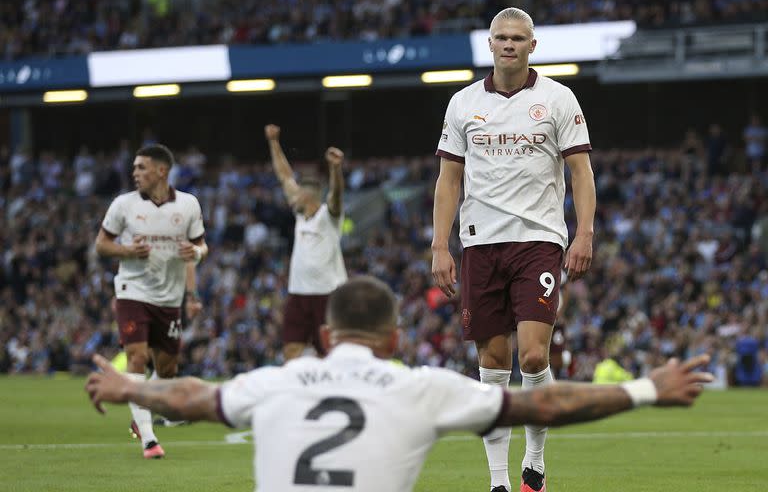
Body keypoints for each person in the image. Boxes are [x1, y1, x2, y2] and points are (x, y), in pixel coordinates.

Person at [86, 276, 713, 492]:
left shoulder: (277, 380)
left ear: (326, 336)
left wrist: (129, 389)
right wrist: (646, 389)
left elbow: (192, 395)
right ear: (394, 339)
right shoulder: (421, 386)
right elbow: (544, 397)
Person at [431, 7, 596, 492]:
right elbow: (449, 180)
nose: (509, 45)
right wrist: (441, 244)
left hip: (539, 240)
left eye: (518, 38)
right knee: (493, 363)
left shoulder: (558, 99)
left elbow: (581, 172)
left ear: (532, 46)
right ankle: (498, 482)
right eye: (501, 37)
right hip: (480, 243)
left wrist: (584, 231)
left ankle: (536, 461)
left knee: (531, 356)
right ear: (490, 44)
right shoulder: (463, 104)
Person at [95, 143, 207, 458]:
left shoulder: (188, 205)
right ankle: (149, 439)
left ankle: (139, 410)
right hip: (132, 290)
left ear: (161, 171)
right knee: (136, 357)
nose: (135, 173)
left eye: (141, 167)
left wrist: (196, 254)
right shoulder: (123, 205)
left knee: (167, 369)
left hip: (169, 297)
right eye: (134, 168)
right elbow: (101, 245)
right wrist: (127, 251)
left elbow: (201, 246)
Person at [264, 124, 347, 360]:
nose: (293, 197)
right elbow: (284, 176)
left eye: (298, 194)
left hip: (326, 294)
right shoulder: (301, 217)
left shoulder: (328, 217)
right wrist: (273, 142)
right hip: (299, 294)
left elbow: (337, 195)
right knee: (291, 349)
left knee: (328, 353)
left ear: (308, 197)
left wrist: (335, 169)